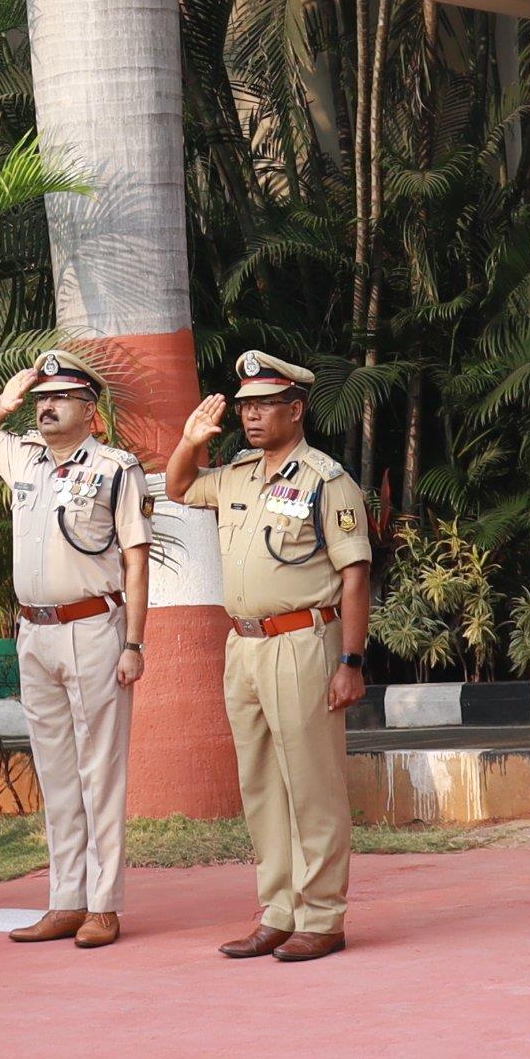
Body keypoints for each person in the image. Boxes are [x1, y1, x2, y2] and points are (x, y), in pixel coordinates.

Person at [163, 352, 375, 964]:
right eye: (246, 406)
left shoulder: (325, 480)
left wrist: (351, 662)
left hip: (302, 642)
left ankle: (323, 916)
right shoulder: (238, 473)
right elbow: (179, 487)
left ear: (295, 409)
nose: (251, 416)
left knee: (312, 783)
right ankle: (278, 911)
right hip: (245, 646)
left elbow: (355, 575)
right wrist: (189, 440)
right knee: (260, 784)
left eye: (264, 405)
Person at [0, 350, 152, 946]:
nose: (47, 406)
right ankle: (65, 898)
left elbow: (137, 560)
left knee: (100, 769)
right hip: (34, 632)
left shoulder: (117, 468)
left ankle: (104, 903)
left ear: (90, 411)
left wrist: (134, 642)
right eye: (42, 398)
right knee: (56, 770)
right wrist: (7, 398)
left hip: (94, 627)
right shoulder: (24, 457)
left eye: (60, 397)